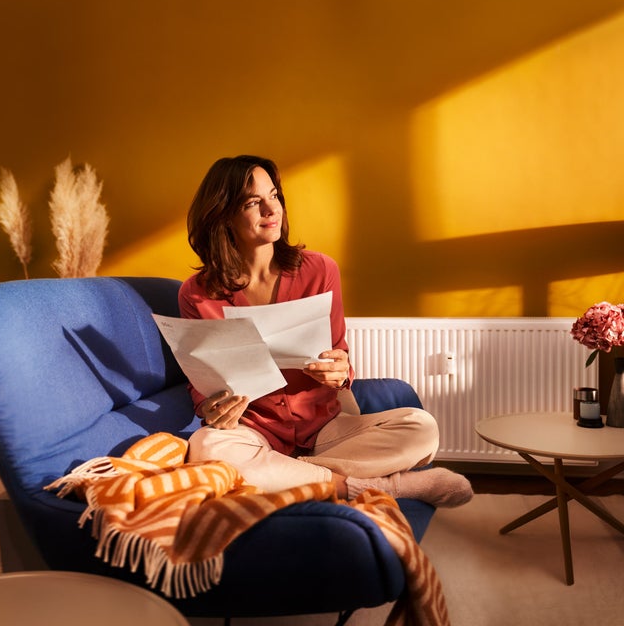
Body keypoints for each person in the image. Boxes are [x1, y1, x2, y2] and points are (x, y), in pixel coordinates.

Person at [179, 155, 472, 507]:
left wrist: (340, 372)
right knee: (206, 447)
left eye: (274, 196)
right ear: (223, 215)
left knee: (421, 428)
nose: (271, 210)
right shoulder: (196, 293)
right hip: (253, 429)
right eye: (253, 203)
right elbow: (201, 383)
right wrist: (211, 409)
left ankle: (288, 475)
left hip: (325, 427)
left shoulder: (318, 270)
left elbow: (338, 352)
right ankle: (389, 488)